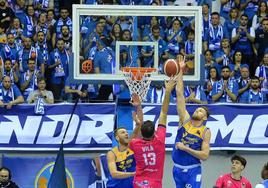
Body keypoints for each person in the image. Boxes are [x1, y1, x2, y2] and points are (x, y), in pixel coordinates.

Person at [129, 76, 177, 188]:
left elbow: (139, 126)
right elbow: (163, 113)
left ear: (142, 133)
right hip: (155, 183)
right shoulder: (159, 140)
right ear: (154, 132)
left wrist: (138, 107)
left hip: (139, 182)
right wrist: (168, 91)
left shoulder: (135, 144)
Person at [172, 58, 211, 188]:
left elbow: (205, 155)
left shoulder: (205, 131)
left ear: (204, 118)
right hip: (177, 169)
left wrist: (186, 148)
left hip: (193, 169)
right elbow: (179, 94)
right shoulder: (185, 120)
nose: (197, 110)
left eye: (200, 110)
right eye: (197, 109)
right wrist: (180, 71)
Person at [106, 93, 143, 188]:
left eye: (126, 132)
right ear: (117, 138)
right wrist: (133, 174)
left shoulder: (131, 146)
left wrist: (138, 106)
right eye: (123, 132)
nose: (126, 133)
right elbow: (114, 173)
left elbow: (139, 126)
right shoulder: (112, 153)